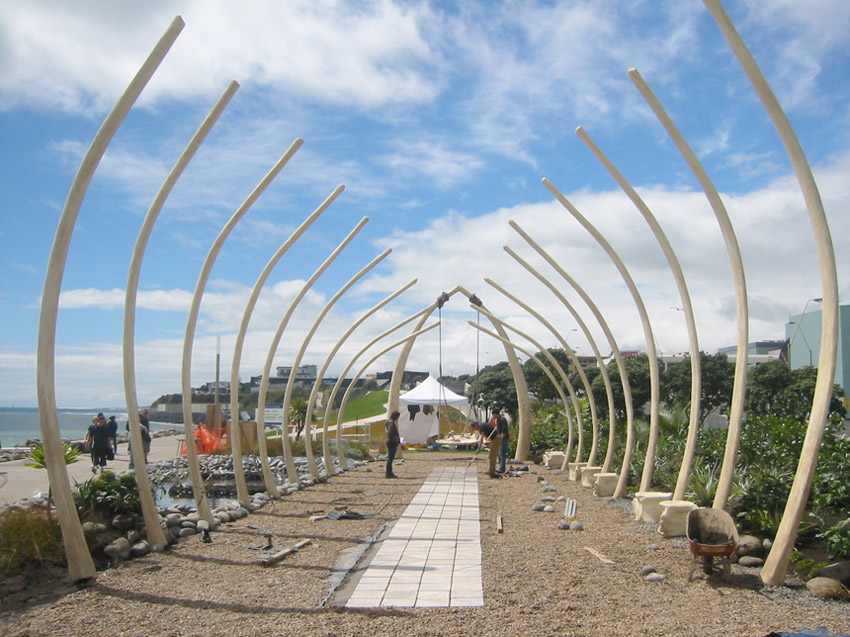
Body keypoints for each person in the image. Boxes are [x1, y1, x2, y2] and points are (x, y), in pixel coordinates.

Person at [491, 408, 510, 474]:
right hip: (499, 438)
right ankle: (500, 467)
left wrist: (500, 439)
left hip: (503, 439)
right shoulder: (497, 420)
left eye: (493, 415)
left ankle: (502, 468)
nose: (493, 417)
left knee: (502, 453)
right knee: (499, 454)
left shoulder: (502, 419)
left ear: (496, 414)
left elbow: (504, 431)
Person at [385, 410, 401, 479]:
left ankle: (389, 472)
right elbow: (390, 432)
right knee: (390, 458)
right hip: (392, 442)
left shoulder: (388, 422)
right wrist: (396, 439)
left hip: (389, 441)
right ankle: (389, 473)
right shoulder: (391, 423)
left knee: (390, 457)